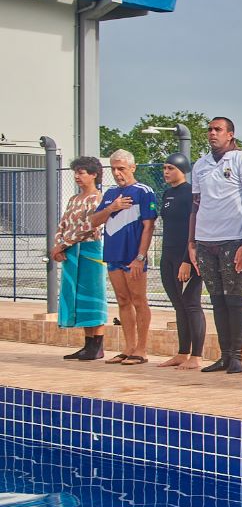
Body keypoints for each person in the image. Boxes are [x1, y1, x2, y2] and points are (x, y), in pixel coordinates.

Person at [189, 116, 242, 374]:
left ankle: (237, 356)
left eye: (217, 129)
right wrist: (192, 242)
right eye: (209, 129)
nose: (212, 133)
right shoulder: (200, 165)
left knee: (234, 298)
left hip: (233, 239)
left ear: (230, 134)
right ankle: (224, 354)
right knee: (216, 299)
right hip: (206, 240)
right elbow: (195, 207)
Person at [89, 149, 157, 365]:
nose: (118, 173)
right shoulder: (110, 194)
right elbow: (94, 221)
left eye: (122, 168)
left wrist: (140, 256)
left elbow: (149, 226)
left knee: (139, 299)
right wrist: (112, 207)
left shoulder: (143, 192)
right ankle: (128, 347)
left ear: (133, 168)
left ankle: (141, 349)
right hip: (113, 255)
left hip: (132, 256)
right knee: (122, 300)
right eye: (114, 169)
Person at [52, 156, 108, 361]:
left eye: (81, 172)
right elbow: (64, 223)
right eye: (76, 172)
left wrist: (63, 244)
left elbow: (88, 227)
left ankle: (98, 344)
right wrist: (58, 244)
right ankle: (87, 345)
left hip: (90, 250)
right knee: (76, 295)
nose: (77, 176)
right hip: (71, 251)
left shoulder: (98, 198)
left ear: (93, 175)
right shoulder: (74, 199)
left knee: (92, 294)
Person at [156, 153, 206, 370]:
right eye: (165, 168)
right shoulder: (167, 193)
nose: (166, 172)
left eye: (171, 168)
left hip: (187, 257)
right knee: (178, 305)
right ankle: (182, 352)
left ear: (182, 170)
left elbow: (193, 228)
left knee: (191, 304)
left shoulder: (190, 194)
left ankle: (197, 355)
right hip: (168, 255)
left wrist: (187, 259)